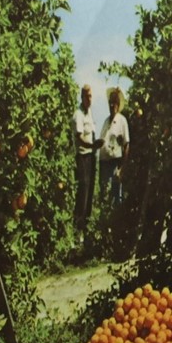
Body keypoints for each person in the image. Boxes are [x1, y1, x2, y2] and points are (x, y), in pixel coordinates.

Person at [98, 86, 130, 214]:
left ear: (118, 104)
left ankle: (115, 224)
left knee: (116, 195)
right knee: (104, 194)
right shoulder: (106, 121)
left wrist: (121, 168)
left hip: (114, 163)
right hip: (103, 163)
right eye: (110, 102)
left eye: (114, 102)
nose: (112, 105)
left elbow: (127, 145)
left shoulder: (122, 121)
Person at [72, 83, 99, 234]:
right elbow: (80, 137)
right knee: (83, 190)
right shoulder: (79, 114)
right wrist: (91, 145)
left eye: (90, 96)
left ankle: (86, 228)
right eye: (87, 96)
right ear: (81, 97)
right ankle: (78, 228)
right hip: (83, 156)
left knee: (90, 192)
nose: (89, 99)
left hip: (91, 156)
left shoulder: (90, 113)